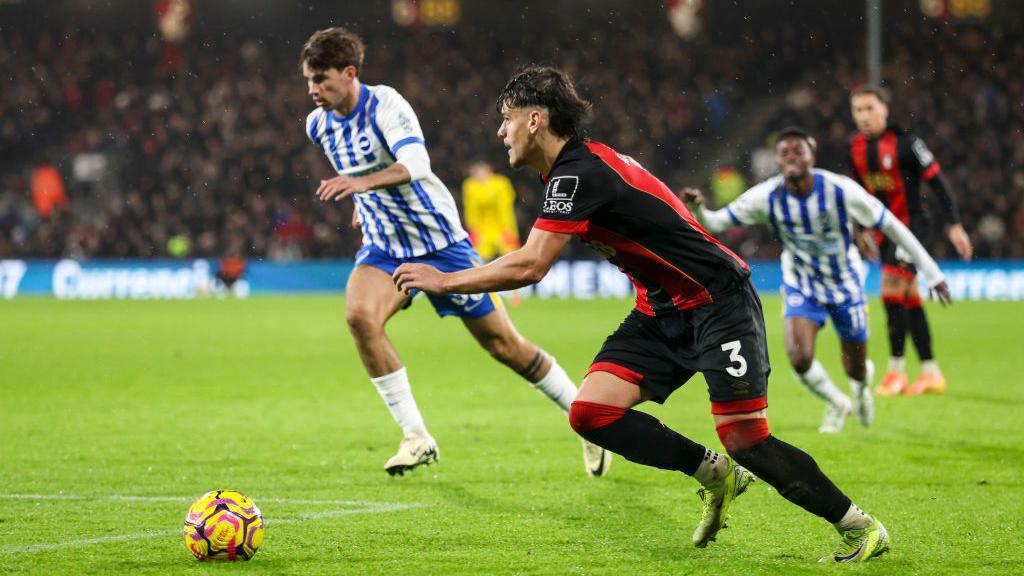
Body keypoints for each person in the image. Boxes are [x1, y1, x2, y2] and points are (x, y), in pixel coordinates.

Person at [394, 66, 891, 562]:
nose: (500, 131)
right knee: (590, 413)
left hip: (718, 302)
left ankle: (859, 527)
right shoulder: (572, 169)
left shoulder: (579, 174)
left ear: (535, 120)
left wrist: (444, 279)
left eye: (507, 118)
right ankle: (712, 473)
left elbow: (531, 265)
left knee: (746, 439)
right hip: (660, 310)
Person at [300, 28, 610, 477]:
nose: (313, 89)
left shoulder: (386, 105)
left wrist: (362, 186)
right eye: (308, 79)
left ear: (350, 74)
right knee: (359, 317)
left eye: (322, 80)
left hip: (441, 247)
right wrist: (362, 203)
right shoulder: (318, 125)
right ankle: (415, 436)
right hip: (386, 249)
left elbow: (416, 165)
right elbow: (355, 170)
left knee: (505, 347)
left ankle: (585, 422)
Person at [681, 127, 951, 434]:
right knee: (799, 357)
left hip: (845, 285)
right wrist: (698, 208)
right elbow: (716, 223)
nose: (791, 157)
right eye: (784, 153)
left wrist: (932, 273)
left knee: (856, 367)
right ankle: (838, 403)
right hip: (802, 284)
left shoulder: (840, 190)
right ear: (778, 162)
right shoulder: (767, 196)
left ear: (812, 155)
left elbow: (891, 225)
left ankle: (861, 389)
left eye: (798, 151)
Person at [848, 84, 972, 396]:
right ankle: (931, 372)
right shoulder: (855, 148)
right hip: (884, 231)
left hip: (914, 226)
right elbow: (858, 195)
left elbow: (939, 183)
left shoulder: (906, 143)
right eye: (858, 110)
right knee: (909, 298)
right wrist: (861, 230)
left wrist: (954, 224)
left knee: (890, 290)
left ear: (884, 110)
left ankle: (895, 372)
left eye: (870, 108)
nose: (864, 116)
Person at [461, 160, 522, 305]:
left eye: (481, 170)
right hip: (483, 231)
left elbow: (506, 207)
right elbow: (470, 210)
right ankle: (482, 294)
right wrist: (473, 230)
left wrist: (509, 229)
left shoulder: (501, 183)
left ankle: (516, 294)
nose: (478, 174)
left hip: (502, 229)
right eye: (476, 171)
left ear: (489, 170)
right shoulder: (470, 185)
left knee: (513, 260)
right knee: (478, 262)